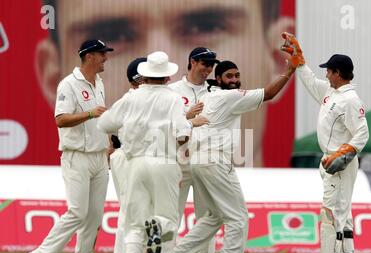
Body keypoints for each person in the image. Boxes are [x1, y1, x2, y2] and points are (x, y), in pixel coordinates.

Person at [38, 0, 294, 167]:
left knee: (181, 221)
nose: (163, 46)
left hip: (193, 163)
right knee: (150, 221)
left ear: (271, 55)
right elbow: (112, 124)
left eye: (205, 25)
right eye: (118, 32)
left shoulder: (218, 94)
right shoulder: (162, 95)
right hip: (155, 164)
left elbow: (110, 123)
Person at [167, 39, 298, 253]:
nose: (235, 79)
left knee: (214, 216)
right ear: (218, 80)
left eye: (237, 75)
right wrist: (289, 70)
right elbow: (269, 94)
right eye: (229, 76)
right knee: (238, 217)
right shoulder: (228, 97)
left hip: (199, 160)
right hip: (214, 161)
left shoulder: (211, 96)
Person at [97, 51, 209, 253]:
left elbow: (104, 124)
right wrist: (188, 124)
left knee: (134, 224)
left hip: (135, 162)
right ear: (167, 77)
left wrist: (129, 125)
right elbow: (182, 134)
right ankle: (155, 228)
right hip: (164, 160)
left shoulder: (132, 98)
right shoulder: (173, 99)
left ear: (146, 75)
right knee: (167, 219)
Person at [281, 33, 369, 253]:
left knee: (330, 215)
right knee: (342, 214)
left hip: (339, 163)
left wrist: (345, 152)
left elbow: (363, 132)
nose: (326, 76)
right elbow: (311, 82)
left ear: (338, 73)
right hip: (332, 161)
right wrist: (299, 60)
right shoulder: (332, 94)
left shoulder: (350, 100)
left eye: (329, 71)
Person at [26, 39, 114, 253]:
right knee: (77, 212)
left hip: (98, 157)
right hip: (76, 156)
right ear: (88, 56)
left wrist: (107, 143)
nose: (106, 58)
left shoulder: (99, 83)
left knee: (94, 217)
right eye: (102, 54)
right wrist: (88, 113)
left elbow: (100, 120)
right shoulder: (69, 84)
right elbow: (61, 119)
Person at [169, 47, 219, 253]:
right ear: (192, 62)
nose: (208, 68)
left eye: (211, 64)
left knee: (207, 215)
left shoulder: (215, 91)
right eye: (204, 63)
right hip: (179, 161)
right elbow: (166, 125)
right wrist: (188, 117)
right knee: (172, 215)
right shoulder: (173, 91)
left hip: (206, 160)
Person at [109, 57, 147, 253]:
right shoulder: (134, 99)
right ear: (138, 80)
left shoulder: (134, 98)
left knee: (136, 215)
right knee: (130, 214)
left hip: (131, 156)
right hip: (129, 157)